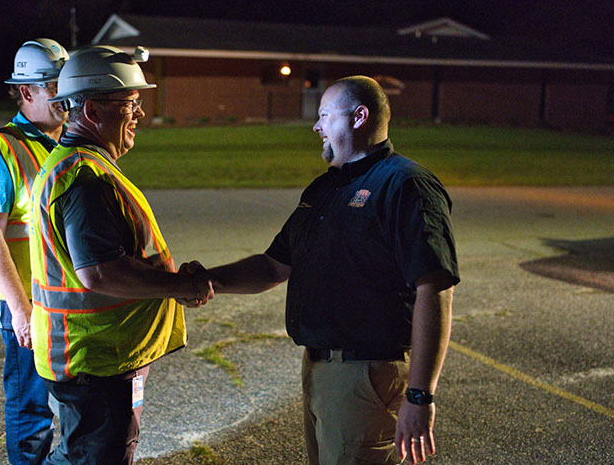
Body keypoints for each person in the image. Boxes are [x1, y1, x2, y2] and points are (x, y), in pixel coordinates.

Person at [186, 76, 459, 465]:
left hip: (364, 373)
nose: (316, 126)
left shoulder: (406, 185)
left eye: (324, 115)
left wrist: (420, 395)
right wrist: (208, 280)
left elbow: (435, 287)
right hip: (319, 370)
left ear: (359, 116)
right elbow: (275, 264)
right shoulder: (324, 190)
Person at [28, 45, 214, 465]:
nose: (139, 114)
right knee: (94, 458)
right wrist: (179, 286)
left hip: (95, 356)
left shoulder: (72, 164)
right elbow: (99, 272)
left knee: (83, 453)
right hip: (98, 359)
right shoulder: (86, 178)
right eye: (130, 103)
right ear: (92, 109)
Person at [0, 38, 69, 465]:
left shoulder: (69, 143)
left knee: (77, 408)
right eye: (53, 87)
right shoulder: (0, 150)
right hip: (28, 306)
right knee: (31, 410)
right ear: (26, 92)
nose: (65, 97)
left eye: (67, 85)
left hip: (70, 305)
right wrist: (20, 309)